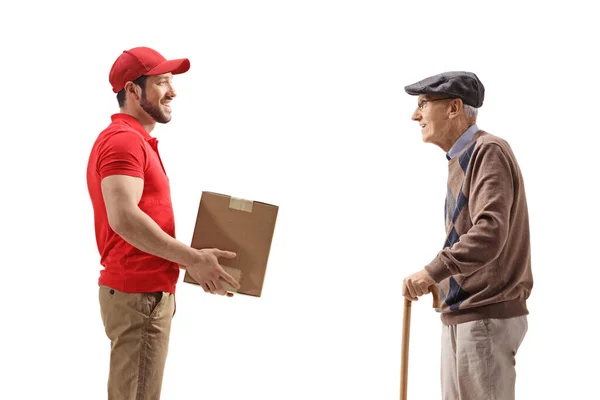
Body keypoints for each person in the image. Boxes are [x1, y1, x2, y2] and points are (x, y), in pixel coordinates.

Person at [86, 46, 241, 400]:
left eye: (171, 81)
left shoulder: (136, 140)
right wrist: (191, 259)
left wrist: (194, 258)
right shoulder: (124, 141)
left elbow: (139, 219)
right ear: (132, 90)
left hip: (145, 292)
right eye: (161, 82)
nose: (172, 91)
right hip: (138, 293)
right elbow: (124, 219)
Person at [401, 71, 534, 400]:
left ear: (453, 108)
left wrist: (434, 270)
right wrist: (442, 281)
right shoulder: (462, 158)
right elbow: (470, 234)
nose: (415, 115)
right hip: (465, 314)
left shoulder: (487, 151)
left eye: (423, 105)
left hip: (486, 315)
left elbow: (489, 233)